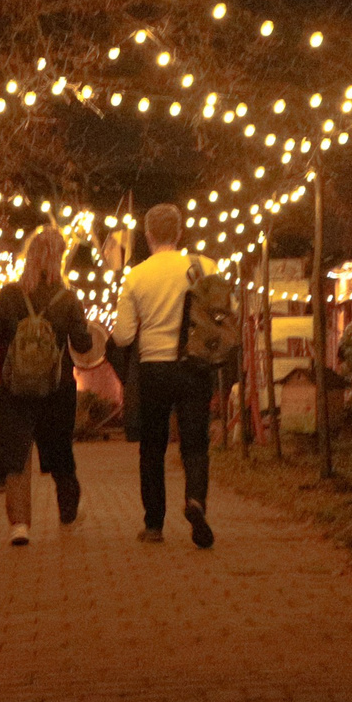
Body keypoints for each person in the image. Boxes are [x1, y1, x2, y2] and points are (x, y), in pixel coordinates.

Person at [0, 228, 95, 545]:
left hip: (17, 386)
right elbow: (83, 344)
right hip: (57, 386)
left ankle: (19, 524)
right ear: (60, 259)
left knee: (17, 452)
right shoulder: (67, 298)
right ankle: (68, 516)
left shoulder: (11, 294)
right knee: (59, 450)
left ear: (28, 257)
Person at [112, 203, 217, 547]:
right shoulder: (205, 267)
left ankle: (154, 524)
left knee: (152, 447)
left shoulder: (136, 275)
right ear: (180, 232)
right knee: (195, 443)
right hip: (195, 365)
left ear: (148, 235)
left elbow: (124, 336)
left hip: (154, 369)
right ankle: (195, 501)